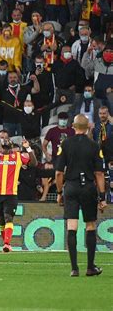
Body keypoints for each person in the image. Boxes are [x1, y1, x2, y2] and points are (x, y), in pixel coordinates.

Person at [55, 114, 106, 277]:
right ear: (88, 127)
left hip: (70, 186)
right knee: (90, 225)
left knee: (72, 226)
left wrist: (58, 192)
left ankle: (74, 268)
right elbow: (99, 173)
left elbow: (58, 173)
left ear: (73, 126)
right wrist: (103, 197)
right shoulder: (94, 146)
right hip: (88, 187)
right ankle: (90, 267)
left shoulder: (65, 144)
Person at [0, 135, 37, 252]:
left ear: (11, 148)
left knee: (8, 217)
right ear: (0, 147)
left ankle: (6, 243)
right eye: (3, 147)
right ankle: (7, 245)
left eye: (7, 148)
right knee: (1, 220)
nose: (5, 150)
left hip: (11, 194)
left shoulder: (18, 157)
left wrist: (28, 149)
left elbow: (33, 164)